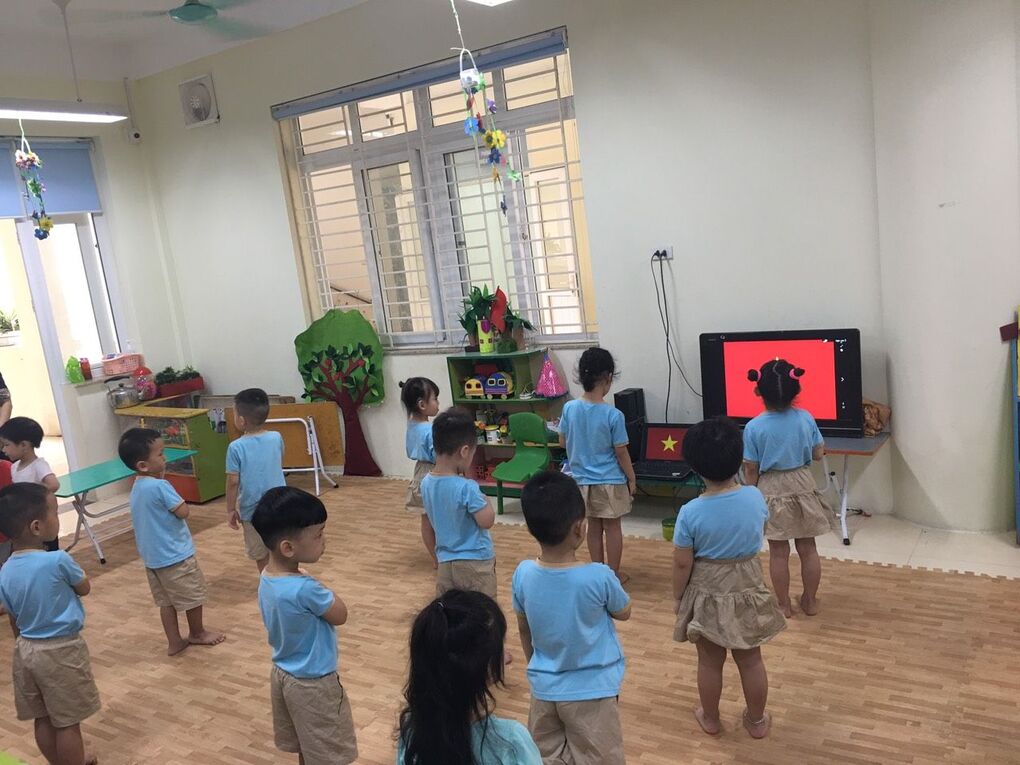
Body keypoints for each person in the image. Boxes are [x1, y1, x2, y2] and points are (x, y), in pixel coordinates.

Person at [672, 417, 786, 739]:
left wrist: (678, 597)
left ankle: (710, 718)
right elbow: (760, 531)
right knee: (751, 660)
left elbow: (681, 564)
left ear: (694, 466)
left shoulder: (690, 512)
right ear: (739, 458)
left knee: (709, 662)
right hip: (747, 582)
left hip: (707, 589)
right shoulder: (755, 497)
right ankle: (757, 721)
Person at [513, 471, 631, 765]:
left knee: (546, 756)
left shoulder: (523, 574)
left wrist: (538, 666)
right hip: (593, 690)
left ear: (530, 528)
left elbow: (524, 629)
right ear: (580, 528)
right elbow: (624, 611)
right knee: (600, 758)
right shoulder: (599, 576)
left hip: (544, 688)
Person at [252, 485, 358, 765]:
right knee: (328, 753)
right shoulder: (305, 589)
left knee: (308, 745)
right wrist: (315, 584)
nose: (324, 540)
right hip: (315, 684)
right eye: (318, 535)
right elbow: (340, 614)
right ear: (288, 547)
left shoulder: (267, 577)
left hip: (284, 676)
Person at [0, 483, 100, 765]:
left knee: (42, 717)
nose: (57, 518)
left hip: (26, 650)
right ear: (36, 527)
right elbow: (84, 588)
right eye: (54, 512)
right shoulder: (58, 560)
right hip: (61, 650)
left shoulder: (5, 570)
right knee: (68, 721)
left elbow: (13, 617)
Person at [397, 589, 542, 765]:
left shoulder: (411, 733)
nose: (508, 658)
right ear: (476, 666)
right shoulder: (511, 742)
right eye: (500, 648)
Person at [118, 427, 225, 655]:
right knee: (193, 596)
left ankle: (174, 641)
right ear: (143, 465)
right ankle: (197, 633)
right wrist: (168, 487)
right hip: (175, 555)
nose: (165, 458)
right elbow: (183, 512)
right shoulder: (160, 486)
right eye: (160, 454)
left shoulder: (137, 487)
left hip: (153, 559)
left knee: (166, 602)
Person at [742, 359, 832, 617]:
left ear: (757, 391)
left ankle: (783, 605)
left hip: (771, 487)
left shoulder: (753, 427)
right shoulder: (806, 418)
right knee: (808, 548)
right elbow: (818, 454)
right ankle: (810, 601)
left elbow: (751, 468)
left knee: (778, 552)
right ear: (797, 390)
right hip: (803, 483)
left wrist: (751, 495)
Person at [558, 348, 636, 583]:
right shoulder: (613, 415)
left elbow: (562, 441)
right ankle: (612, 574)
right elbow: (621, 452)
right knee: (612, 527)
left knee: (593, 526)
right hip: (610, 480)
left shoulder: (569, 408)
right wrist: (632, 477)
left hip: (581, 481)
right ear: (608, 378)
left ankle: (597, 570)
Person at [420, 407, 497, 598]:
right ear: (464, 451)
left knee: (451, 608)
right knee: (482, 610)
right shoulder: (467, 487)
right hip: (475, 562)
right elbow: (486, 521)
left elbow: (430, 522)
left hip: (445, 562)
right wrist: (486, 501)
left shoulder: (426, 483)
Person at [226, 387, 286, 573]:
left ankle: (268, 584)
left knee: (261, 555)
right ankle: (285, 580)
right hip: (280, 504)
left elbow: (233, 481)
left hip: (253, 510)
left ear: (241, 420)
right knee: (281, 548)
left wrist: (230, 509)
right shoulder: (276, 437)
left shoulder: (235, 447)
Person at [0, 416, 60, 552]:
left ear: (24, 445)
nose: (3, 450)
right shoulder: (14, 467)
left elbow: (54, 484)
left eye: (7, 445)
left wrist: (32, 493)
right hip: (25, 519)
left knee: (47, 549)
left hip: (42, 520)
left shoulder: (39, 465)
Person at [400, 377, 440, 568]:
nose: (438, 403)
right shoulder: (430, 429)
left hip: (419, 471)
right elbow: (438, 456)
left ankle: (436, 559)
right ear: (422, 404)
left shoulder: (411, 425)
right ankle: (443, 558)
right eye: (435, 399)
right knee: (439, 518)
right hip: (434, 472)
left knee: (426, 519)